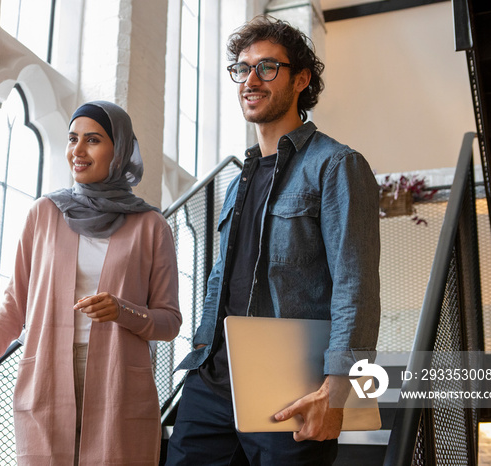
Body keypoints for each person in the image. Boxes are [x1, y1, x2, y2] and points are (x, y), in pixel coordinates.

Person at [165, 15, 380, 465]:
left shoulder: (336, 165)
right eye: (242, 69)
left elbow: (355, 285)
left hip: (292, 387)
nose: (250, 79)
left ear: (301, 79)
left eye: (267, 67)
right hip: (214, 380)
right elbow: (222, 276)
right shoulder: (239, 180)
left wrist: (337, 389)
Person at [0, 101, 182, 465]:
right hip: (46, 373)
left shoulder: (152, 226)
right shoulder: (44, 213)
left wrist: (123, 311)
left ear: (118, 150)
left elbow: (170, 322)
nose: (78, 150)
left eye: (93, 140)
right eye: (73, 138)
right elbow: (14, 306)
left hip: (119, 380)